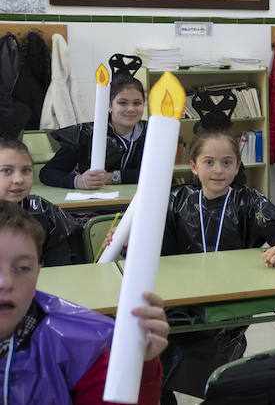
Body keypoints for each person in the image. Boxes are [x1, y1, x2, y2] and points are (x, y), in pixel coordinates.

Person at [156, 96, 275, 403]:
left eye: (226, 162)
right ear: (193, 166)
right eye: (209, 162)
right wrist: (131, 240)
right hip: (182, 301)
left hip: (230, 305)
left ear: (237, 167)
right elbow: (161, 249)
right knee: (157, 361)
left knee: (217, 377)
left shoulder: (248, 201)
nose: (217, 170)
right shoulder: (177, 200)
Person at [0, 200, 168, 404]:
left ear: (38, 271)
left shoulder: (80, 345)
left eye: (23, 268)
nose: (6, 283)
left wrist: (138, 364)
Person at [40, 55, 147, 189]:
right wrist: (79, 181)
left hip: (134, 203)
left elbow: (156, 173)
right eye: (122, 103)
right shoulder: (85, 134)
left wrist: (112, 177)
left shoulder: (151, 134)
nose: (131, 109)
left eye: (137, 103)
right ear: (109, 105)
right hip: (92, 205)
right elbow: (47, 173)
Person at [0, 135, 78, 265]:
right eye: (7, 171)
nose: (19, 179)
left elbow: (59, 268)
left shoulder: (46, 212)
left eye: (26, 170)